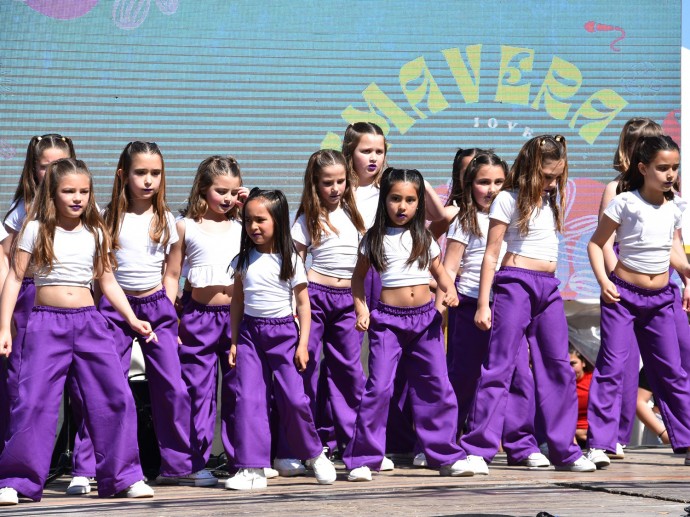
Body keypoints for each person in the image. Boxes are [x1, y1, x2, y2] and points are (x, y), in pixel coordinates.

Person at [0, 158, 154, 505]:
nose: (77, 198)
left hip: (88, 322)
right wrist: (3, 327)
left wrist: (131, 318)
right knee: (33, 401)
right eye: (68, 191)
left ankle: (125, 475)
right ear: (51, 194)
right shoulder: (35, 229)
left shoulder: (96, 231)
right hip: (44, 324)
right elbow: (14, 278)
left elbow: (106, 279)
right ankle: (16, 479)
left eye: (83, 191)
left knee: (114, 397)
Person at [77, 141, 216, 489]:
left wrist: (167, 311)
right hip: (114, 308)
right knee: (103, 387)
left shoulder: (167, 219)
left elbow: (171, 274)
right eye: (141, 172)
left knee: (173, 387)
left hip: (156, 307)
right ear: (124, 175)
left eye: (155, 173)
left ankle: (183, 464)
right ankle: (86, 467)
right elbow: (102, 275)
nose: (149, 180)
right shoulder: (106, 218)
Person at [459, 135, 596, 474]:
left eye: (557, 177)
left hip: (548, 287)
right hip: (515, 283)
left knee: (558, 367)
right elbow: (491, 254)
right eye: (547, 177)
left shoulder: (551, 200)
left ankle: (565, 450)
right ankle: (478, 448)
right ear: (532, 170)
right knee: (500, 364)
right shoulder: (507, 199)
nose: (551, 183)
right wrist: (482, 303)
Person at [343, 167, 476, 482]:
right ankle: (363, 458)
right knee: (378, 387)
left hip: (425, 321)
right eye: (395, 199)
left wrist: (450, 290)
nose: (402, 206)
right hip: (387, 321)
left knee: (437, 386)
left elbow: (441, 272)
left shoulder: (423, 236)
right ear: (384, 200)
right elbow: (357, 280)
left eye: (409, 200)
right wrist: (362, 310)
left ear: (418, 204)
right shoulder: (373, 239)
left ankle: (445, 455)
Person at [436, 151, 549, 469]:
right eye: (483, 182)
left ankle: (522, 445)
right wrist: (449, 295)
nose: (491, 189)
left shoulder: (516, 216)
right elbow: (450, 265)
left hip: (510, 305)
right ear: (469, 184)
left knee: (518, 376)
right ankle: (446, 443)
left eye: (499, 182)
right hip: (471, 304)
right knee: (464, 376)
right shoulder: (465, 219)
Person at [586, 135, 690, 468]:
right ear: (643, 168)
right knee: (612, 367)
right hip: (623, 296)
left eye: (674, 167)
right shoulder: (625, 203)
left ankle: (686, 439)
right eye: (662, 168)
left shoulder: (676, 205)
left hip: (660, 299)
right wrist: (604, 281)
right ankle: (600, 444)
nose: (670, 174)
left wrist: (686, 270)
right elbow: (595, 243)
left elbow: (672, 249)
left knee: (671, 371)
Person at [226, 188, 337, 490]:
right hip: (250, 335)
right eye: (248, 220)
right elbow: (237, 302)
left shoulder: (291, 261)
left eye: (261, 220)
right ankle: (252, 468)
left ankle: (314, 455)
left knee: (293, 399)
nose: (254, 227)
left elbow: (303, 306)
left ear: (277, 220)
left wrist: (302, 343)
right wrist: (235, 341)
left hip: (283, 335)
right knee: (248, 398)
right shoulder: (243, 260)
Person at [275, 150, 366, 473]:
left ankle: (358, 452)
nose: (335, 188)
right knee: (304, 371)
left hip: (347, 301)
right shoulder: (306, 219)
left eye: (341, 181)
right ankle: (294, 450)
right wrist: (295, 308)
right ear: (315, 183)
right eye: (328, 182)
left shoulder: (355, 215)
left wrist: (360, 303)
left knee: (350, 374)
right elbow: (294, 263)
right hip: (314, 298)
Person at [163, 155, 249, 475]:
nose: (227, 198)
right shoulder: (185, 226)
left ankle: (241, 459)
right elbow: (172, 275)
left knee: (239, 389)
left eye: (233, 191)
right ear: (203, 188)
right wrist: (169, 318)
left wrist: (250, 203)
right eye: (220, 191)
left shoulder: (243, 226)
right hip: (198, 318)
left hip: (236, 317)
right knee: (197, 391)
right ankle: (194, 461)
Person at [0, 134, 75, 451]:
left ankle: (76, 462)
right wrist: (9, 308)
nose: (54, 172)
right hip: (29, 298)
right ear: (33, 170)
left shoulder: (80, 206)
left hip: (71, 299)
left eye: (61, 165)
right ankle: (13, 455)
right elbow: (4, 256)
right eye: (47, 167)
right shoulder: (23, 209)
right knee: (20, 381)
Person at [597, 118, 665, 459]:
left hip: (659, 285)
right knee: (618, 362)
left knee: (667, 361)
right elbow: (604, 241)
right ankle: (610, 438)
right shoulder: (617, 189)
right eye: (643, 142)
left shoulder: (668, 192)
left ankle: (676, 434)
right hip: (623, 280)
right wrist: (614, 279)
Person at [569, 347, 593, 446]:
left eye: (573, 364)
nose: (569, 369)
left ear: (583, 363)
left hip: (592, 436)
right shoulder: (556, 385)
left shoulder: (594, 381)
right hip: (569, 437)